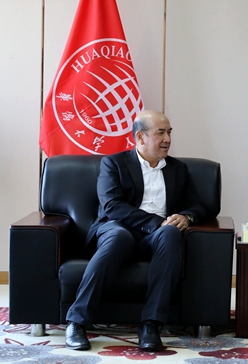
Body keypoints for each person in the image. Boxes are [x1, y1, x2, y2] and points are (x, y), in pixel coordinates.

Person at [65, 110, 206, 352]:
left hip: (157, 236)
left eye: (169, 133)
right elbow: (112, 205)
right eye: (160, 133)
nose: (168, 139)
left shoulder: (178, 169)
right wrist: (155, 222)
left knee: (171, 234)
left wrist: (186, 216)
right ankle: (77, 322)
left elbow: (198, 205)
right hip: (118, 227)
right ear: (140, 137)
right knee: (119, 238)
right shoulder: (114, 163)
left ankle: (151, 324)